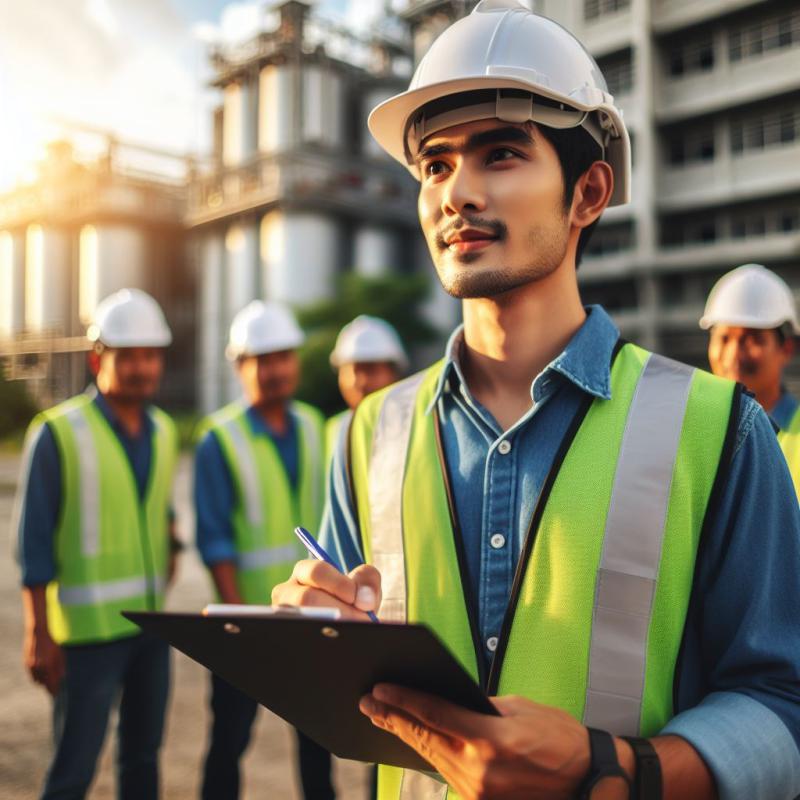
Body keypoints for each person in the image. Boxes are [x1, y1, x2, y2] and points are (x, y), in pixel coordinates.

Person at [273, 2, 800, 799]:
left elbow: (783, 708)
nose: (457, 193)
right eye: (436, 164)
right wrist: (317, 636)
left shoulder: (719, 429)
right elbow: (360, 696)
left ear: (588, 193)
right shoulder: (366, 434)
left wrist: (613, 771)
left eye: (502, 153)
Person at [15, 288, 180, 799]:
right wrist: (38, 632)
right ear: (97, 358)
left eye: (150, 356)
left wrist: (171, 547)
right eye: (127, 356)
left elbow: (159, 511)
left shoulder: (165, 430)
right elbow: (33, 543)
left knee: (142, 761)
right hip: (86, 639)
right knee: (74, 769)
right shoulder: (57, 432)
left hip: (150, 629)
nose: (140, 368)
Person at [194, 300, 333, 800]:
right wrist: (242, 620)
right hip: (246, 624)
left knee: (320, 747)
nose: (274, 370)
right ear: (240, 366)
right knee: (229, 744)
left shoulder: (317, 427)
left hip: (311, 620)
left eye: (282, 357)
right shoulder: (219, 439)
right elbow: (216, 540)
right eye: (261, 359)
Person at [701, 262, 800, 496]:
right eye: (724, 338)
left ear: (785, 349)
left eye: (751, 339)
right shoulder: (695, 433)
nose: (733, 355)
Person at [326, 315, 408, 461]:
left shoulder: (414, 425)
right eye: (353, 370)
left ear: (394, 373)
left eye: (371, 370)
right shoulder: (334, 430)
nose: (360, 381)